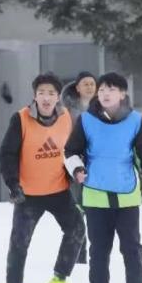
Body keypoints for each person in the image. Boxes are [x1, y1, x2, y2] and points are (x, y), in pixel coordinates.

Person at [63, 72, 142, 283]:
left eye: (112, 89)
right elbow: (71, 151)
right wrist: (77, 171)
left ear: (122, 94)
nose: (105, 93)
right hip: (95, 196)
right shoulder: (86, 120)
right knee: (99, 250)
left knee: (132, 249)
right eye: (102, 89)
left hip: (126, 194)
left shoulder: (135, 120)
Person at [0, 73, 86, 283]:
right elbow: (7, 154)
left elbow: (72, 148)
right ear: (34, 96)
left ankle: (59, 279)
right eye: (41, 93)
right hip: (28, 195)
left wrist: (75, 171)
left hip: (58, 190)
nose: (46, 98)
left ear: (58, 97)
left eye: (51, 93)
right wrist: (12, 183)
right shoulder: (21, 119)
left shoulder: (66, 117)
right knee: (20, 242)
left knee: (77, 228)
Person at [60, 70, 98, 266]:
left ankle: (97, 252)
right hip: (73, 162)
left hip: (96, 164)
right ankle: (78, 254)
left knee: (95, 209)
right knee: (76, 209)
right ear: (77, 87)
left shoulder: (102, 108)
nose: (90, 87)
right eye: (86, 84)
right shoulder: (66, 110)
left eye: (92, 84)